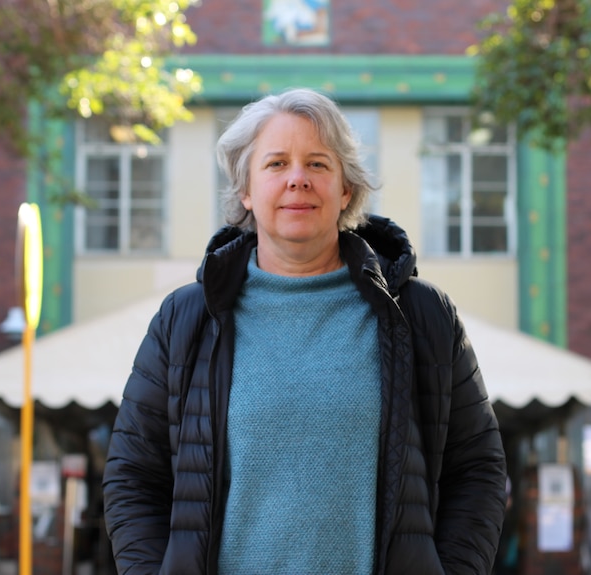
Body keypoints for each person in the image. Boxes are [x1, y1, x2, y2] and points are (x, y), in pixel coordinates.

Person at [102, 87, 508, 574]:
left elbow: (477, 469)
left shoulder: (421, 315)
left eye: (318, 164)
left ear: (346, 190)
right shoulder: (187, 320)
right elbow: (132, 476)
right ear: (246, 190)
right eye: (276, 164)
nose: (298, 180)